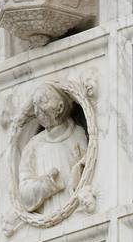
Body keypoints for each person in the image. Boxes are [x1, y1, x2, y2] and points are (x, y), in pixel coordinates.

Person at [19, 83, 88, 216]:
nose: (38, 112)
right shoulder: (33, 146)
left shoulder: (77, 134)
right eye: (36, 107)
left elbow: (89, 168)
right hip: (48, 216)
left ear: (60, 107)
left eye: (43, 104)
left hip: (77, 210)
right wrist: (48, 183)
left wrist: (77, 171)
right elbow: (24, 196)